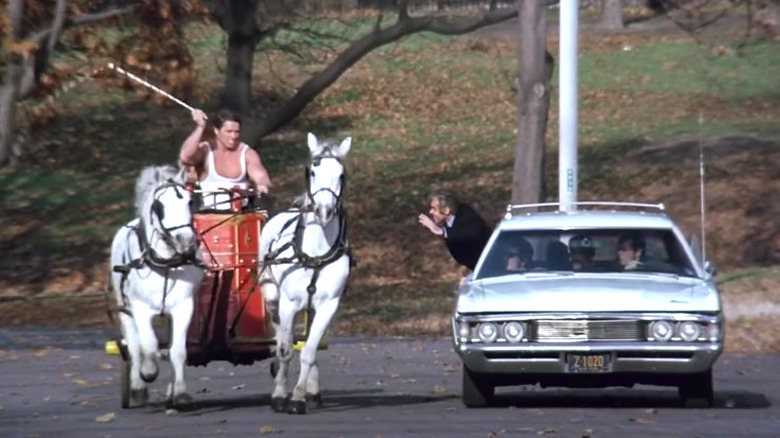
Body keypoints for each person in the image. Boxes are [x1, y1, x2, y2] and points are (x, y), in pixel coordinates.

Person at [179, 108, 272, 210]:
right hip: (209, 214)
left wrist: (262, 184)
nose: (233, 136)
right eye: (229, 131)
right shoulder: (206, 150)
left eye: (236, 132)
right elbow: (186, 157)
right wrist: (200, 127)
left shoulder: (247, 153)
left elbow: (260, 173)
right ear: (216, 131)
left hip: (242, 214)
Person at [418, 190, 492, 274]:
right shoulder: (449, 222)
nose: (430, 212)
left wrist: (440, 231)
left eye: (434, 209)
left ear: (446, 210)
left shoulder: (467, 216)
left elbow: (471, 234)